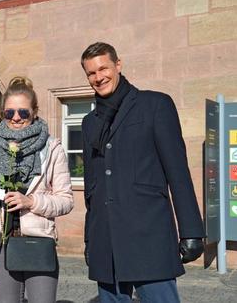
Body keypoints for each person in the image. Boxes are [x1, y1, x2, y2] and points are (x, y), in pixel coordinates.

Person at [80, 42, 205, 302]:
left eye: (103, 68)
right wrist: (90, 241)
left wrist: (192, 231)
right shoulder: (89, 123)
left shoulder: (155, 105)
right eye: (91, 73)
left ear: (118, 65)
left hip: (149, 236)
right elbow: (91, 188)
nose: (98, 77)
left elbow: (178, 173)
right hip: (106, 241)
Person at [0, 77, 74, 303]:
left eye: (23, 113)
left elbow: (66, 200)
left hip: (38, 242)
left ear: (34, 112)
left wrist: (31, 201)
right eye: (9, 112)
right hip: (1, 244)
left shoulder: (51, 148)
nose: (16, 118)